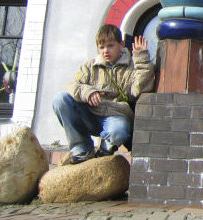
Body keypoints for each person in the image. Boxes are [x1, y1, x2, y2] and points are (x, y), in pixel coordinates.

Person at [52, 25, 156, 164]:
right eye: (101, 47)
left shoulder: (132, 65)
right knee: (60, 99)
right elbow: (72, 85)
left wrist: (142, 59)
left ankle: (105, 150)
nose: (105, 51)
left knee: (118, 131)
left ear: (121, 44)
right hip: (91, 113)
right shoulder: (90, 66)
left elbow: (138, 90)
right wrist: (89, 92)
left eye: (110, 46)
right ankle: (82, 150)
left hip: (116, 114)